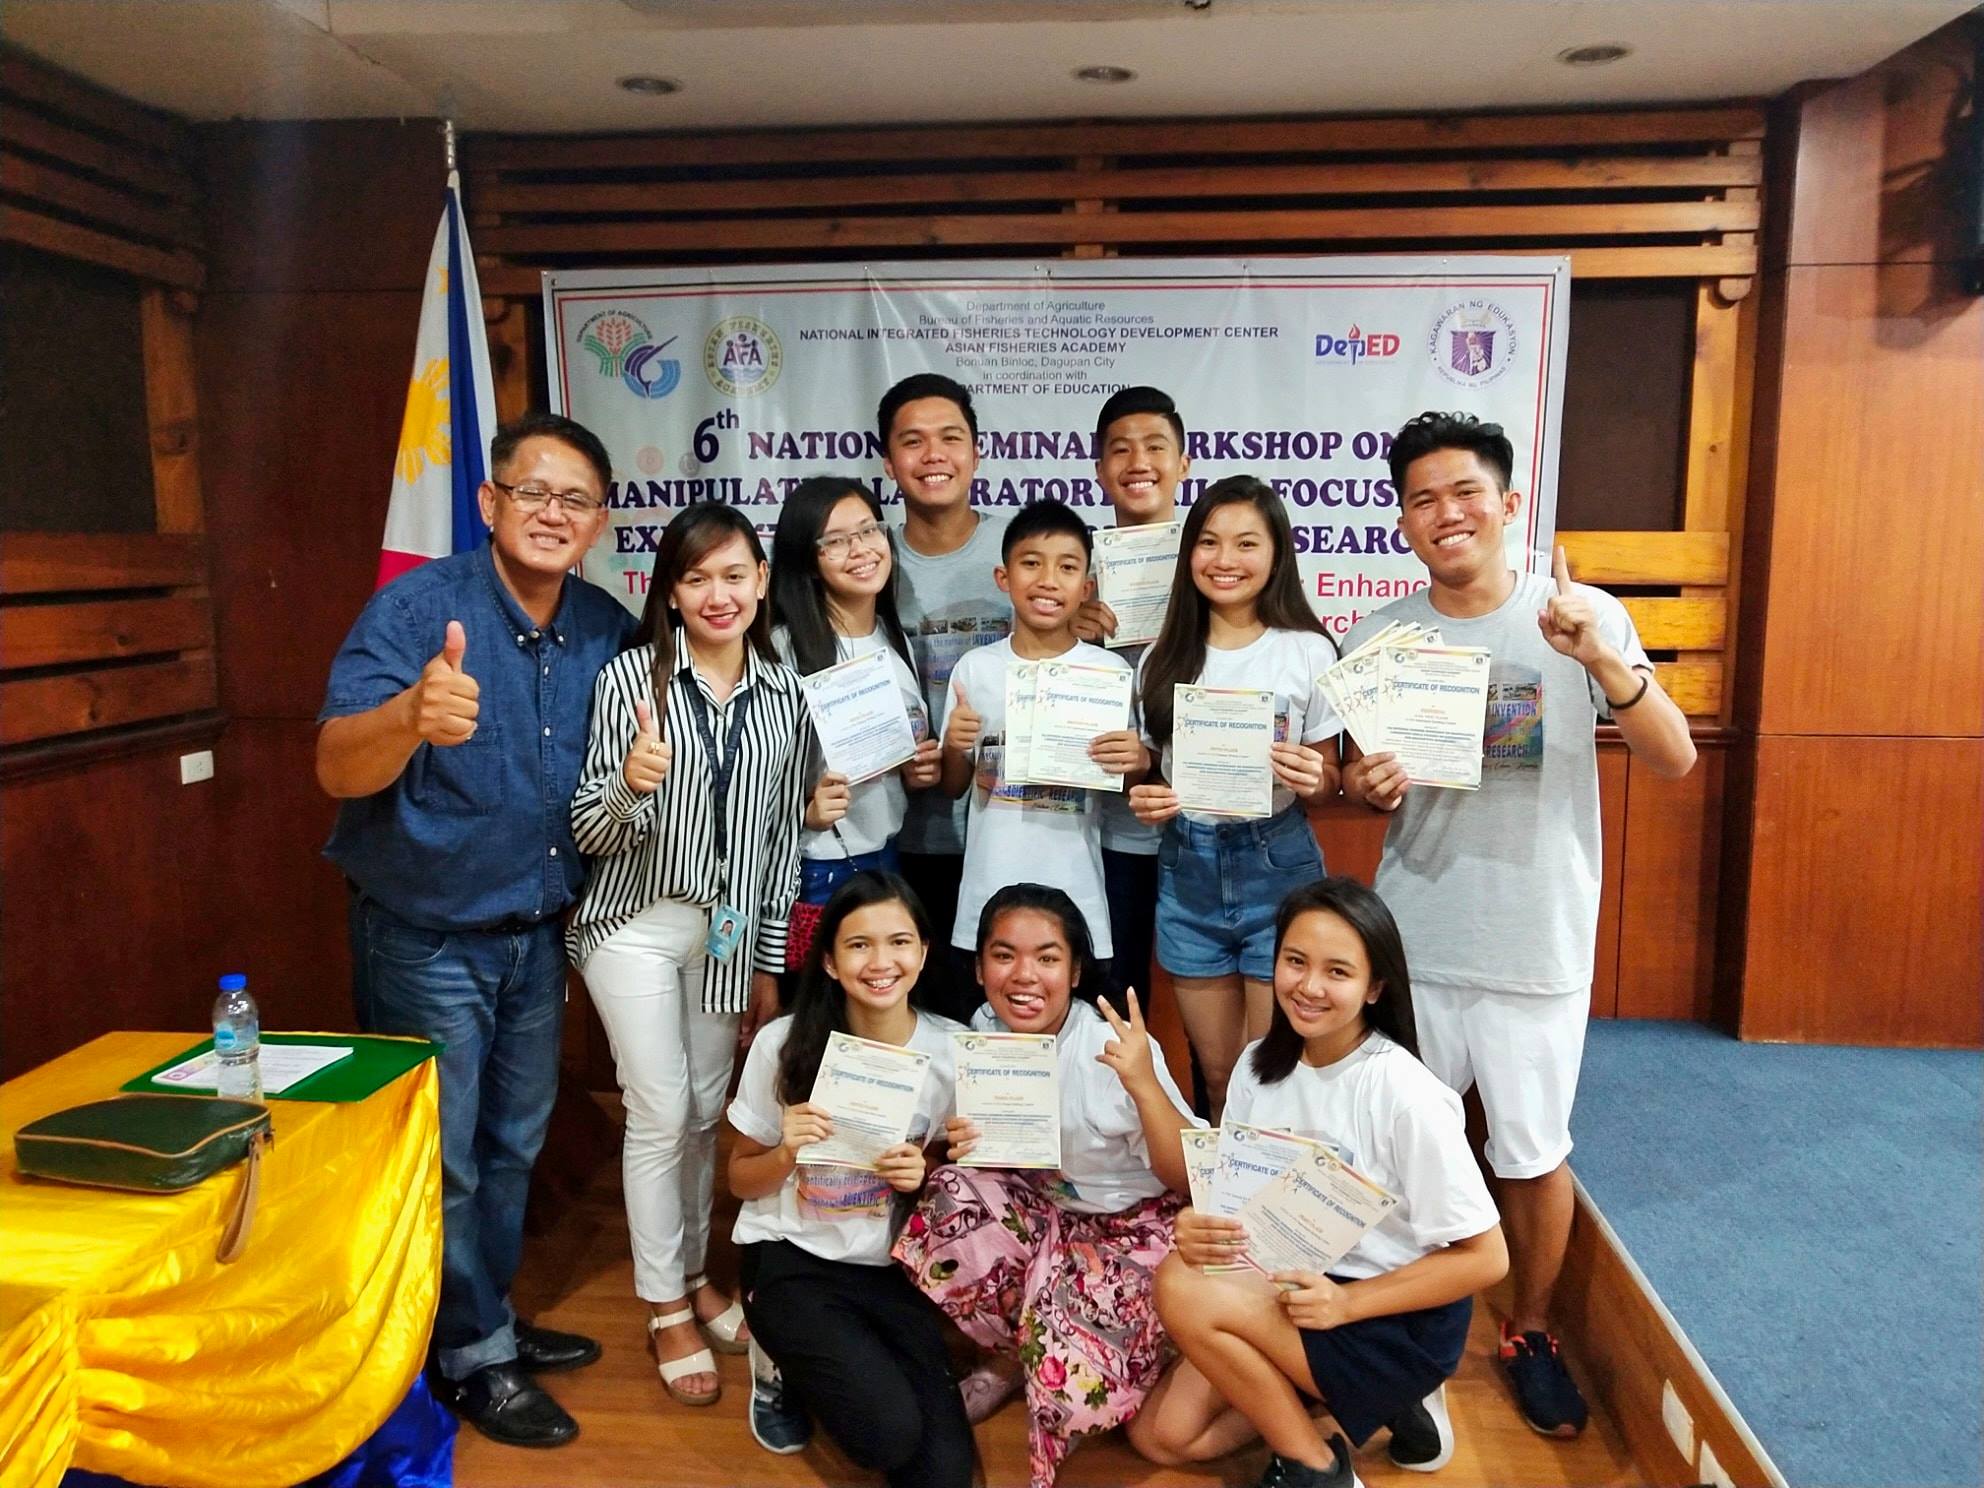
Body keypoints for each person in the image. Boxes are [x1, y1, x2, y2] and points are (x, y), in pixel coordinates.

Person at [1340, 411, 1695, 1438]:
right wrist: (1366, 782)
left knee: (1530, 1155)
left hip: (1536, 939)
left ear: (1506, 505)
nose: (1443, 514)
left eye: (1463, 494)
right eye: (1420, 499)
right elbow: (1370, 788)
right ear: (1402, 519)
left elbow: (1672, 758)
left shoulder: (1577, 616)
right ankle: (1396, 1331)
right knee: (1395, 1145)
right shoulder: (1380, 638)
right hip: (1415, 938)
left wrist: (1607, 664)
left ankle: (1529, 1330)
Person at [315, 411, 630, 1448]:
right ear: (491, 503)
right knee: (442, 1157)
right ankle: (468, 1360)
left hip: (537, 933)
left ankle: (480, 1322)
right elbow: (333, 767)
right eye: (531, 492)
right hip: (426, 936)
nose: (552, 513)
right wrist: (408, 716)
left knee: (511, 1146)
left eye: (574, 499)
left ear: (597, 521)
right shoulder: (418, 612)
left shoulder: (603, 627)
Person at [1131, 877, 1508, 1487]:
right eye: (1295, 961)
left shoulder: (1404, 1094)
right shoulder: (1259, 1066)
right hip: (1295, 1285)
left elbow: (1487, 1259)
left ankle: (1318, 1468)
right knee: (1166, 1439)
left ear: (1374, 987)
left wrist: (1346, 1303)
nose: (1308, 987)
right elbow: (1242, 1204)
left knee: (1180, 1284)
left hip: (1389, 1314)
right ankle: (1356, 1412)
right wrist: (1200, 1230)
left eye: (1337, 972)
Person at [567, 501, 809, 1409]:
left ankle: (701, 1276)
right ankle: (664, 1301)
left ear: (759, 584)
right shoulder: (632, 679)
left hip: (727, 925)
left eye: (735, 574)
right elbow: (588, 831)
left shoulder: (785, 694)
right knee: (661, 1106)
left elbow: (781, 845)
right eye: (698, 577)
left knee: (709, 1108)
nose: (719, 593)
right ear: (670, 591)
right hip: (632, 917)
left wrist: (762, 963)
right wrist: (629, 787)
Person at [894, 883, 1201, 1487]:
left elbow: (1188, 1177)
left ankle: (1159, 1344)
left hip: (1131, 1227)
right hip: (1046, 1212)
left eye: (1048, 957)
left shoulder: (1111, 1047)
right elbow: (953, 1158)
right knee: (950, 1193)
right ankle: (1013, 1357)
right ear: (979, 968)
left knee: (1076, 1393)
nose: (1024, 975)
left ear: (1076, 969)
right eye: (1003, 955)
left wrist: (1143, 1083)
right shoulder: (982, 1032)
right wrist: (949, 1151)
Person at [726, 872, 976, 1488]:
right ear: (832, 963)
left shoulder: (956, 1050)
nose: (881, 961)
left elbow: (968, 1187)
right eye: (859, 945)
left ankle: (844, 1358)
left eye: (899, 942)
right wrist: (786, 1153)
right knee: (885, 1437)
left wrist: (927, 1172)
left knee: (944, 1473)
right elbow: (737, 1180)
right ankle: (777, 1360)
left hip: (892, 1269)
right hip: (791, 1258)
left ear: (923, 953)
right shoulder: (782, 1044)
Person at [1130, 475, 1342, 1117]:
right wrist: (1145, 795)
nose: (1225, 561)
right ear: (1189, 552)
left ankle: (1272, 1217)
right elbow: (1151, 775)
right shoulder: (1161, 657)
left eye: (1246, 543)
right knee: (1220, 1076)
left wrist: (1315, 777)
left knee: (1271, 1075)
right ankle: (1225, 1211)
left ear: (1276, 554)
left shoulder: (1307, 652)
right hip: (1186, 869)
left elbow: (1331, 778)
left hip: (1275, 865)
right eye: (1210, 542)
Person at [939, 498, 1143, 985]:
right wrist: (952, 746)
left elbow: (1129, 778)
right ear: (1003, 577)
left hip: (1077, 888)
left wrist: (1135, 760)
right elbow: (952, 786)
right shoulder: (976, 669)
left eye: (1067, 567)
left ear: (1086, 587)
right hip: (989, 888)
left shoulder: (1109, 673)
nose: (1048, 579)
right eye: (1031, 563)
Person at [769, 475, 941, 990]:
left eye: (869, 531)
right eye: (836, 540)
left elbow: (899, 761)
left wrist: (919, 768)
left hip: (887, 860)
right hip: (816, 870)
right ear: (809, 559)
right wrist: (803, 810)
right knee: (818, 1031)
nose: (860, 549)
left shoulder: (893, 637)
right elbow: (746, 776)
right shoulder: (785, 650)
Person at [881, 373, 1011, 1019]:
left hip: (1012, 826)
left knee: (1006, 1017)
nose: (933, 455)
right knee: (917, 1018)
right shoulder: (866, 557)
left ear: (976, 452)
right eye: (913, 441)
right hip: (905, 835)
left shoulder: (1025, 551)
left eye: (950, 438)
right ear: (889, 461)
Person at [1073, 386, 1193, 1005]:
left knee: (1211, 993)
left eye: (1154, 447)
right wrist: (1066, 630)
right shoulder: (1076, 569)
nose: (1137, 462)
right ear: (1099, 471)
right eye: (1119, 450)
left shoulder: (1216, 564)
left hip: (1202, 823)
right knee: (1114, 997)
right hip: (1112, 833)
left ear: (1184, 464)